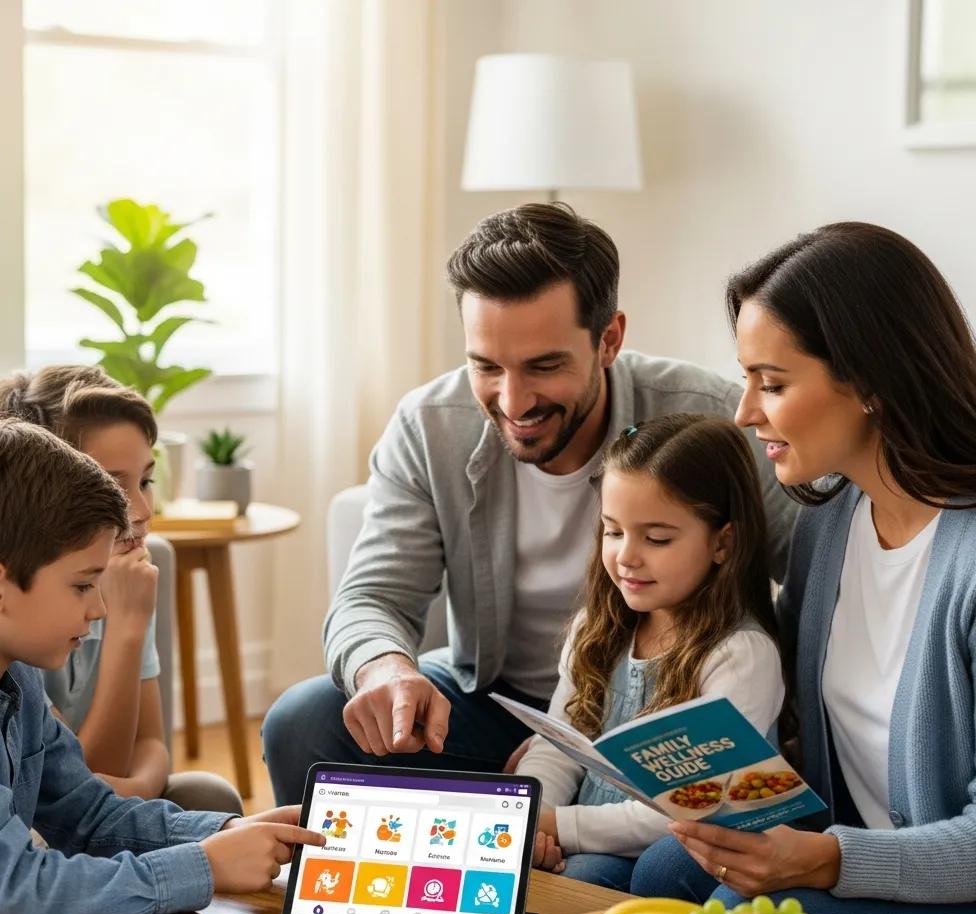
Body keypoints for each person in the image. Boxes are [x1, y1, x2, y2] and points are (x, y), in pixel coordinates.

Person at [263, 203, 796, 805]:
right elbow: (371, 596)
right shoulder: (429, 427)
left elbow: (806, 583)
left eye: (545, 366)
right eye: (486, 366)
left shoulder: (709, 415)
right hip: (489, 701)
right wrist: (387, 669)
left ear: (609, 339)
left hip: (655, 714)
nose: (513, 401)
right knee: (303, 719)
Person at [629, 222, 976, 914]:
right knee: (661, 874)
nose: (745, 412)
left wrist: (824, 861)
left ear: (871, 383)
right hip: (856, 853)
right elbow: (789, 730)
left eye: (774, 383)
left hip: (959, 893)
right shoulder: (829, 524)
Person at [0, 420, 324, 914]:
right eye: (83, 585)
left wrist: (226, 833)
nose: (100, 608)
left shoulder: (15, 675)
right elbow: (13, 892)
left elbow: (89, 816)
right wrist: (206, 867)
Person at [517, 414, 784, 891]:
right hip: (581, 829)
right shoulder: (596, 629)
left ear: (722, 542)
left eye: (656, 538)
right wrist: (531, 814)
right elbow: (557, 745)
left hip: (677, 842)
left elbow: (694, 807)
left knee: (591, 878)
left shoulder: (740, 655)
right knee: (538, 872)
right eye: (613, 531)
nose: (626, 556)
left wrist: (563, 827)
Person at [0, 366, 242, 814]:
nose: (139, 510)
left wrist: (129, 791)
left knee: (209, 796)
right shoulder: (15, 599)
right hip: (34, 815)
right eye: (111, 486)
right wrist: (126, 627)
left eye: (145, 481)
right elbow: (74, 780)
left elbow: (152, 742)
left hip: (100, 802)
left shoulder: (129, 572)